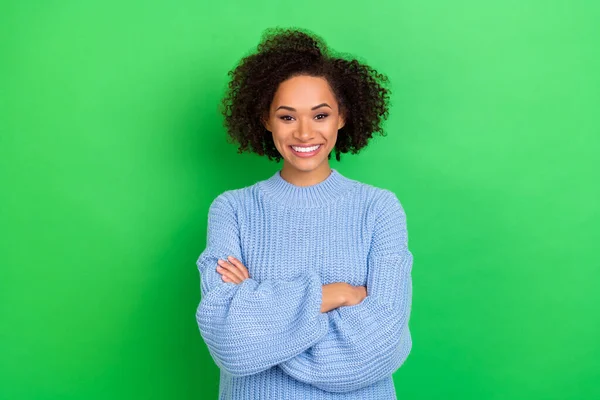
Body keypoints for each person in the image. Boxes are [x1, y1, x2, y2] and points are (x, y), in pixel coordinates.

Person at [195, 26, 413, 399]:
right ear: (265, 119)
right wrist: (335, 294)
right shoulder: (232, 209)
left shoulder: (379, 208)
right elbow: (229, 339)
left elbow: (381, 346)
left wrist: (263, 325)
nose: (305, 133)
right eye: (287, 117)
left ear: (342, 117)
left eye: (320, 115)